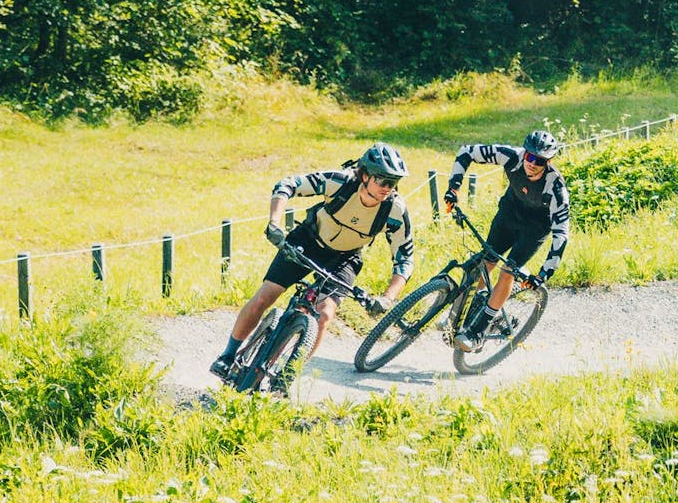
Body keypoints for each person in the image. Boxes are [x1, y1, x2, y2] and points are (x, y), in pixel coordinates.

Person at [211, 142, 415, 380]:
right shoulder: (340, 182)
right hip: (308, 241)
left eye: (394, 183)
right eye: (383, 181)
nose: (388, 188)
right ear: (366, 175)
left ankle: (288, 376)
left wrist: (388, 298)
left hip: (345, 258)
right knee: (265, 296)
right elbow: (287, 185)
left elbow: (404, 258)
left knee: (325, 314)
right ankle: (227, 355)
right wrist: (274, 223)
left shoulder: (394, 210)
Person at [442, 129, 571, 351]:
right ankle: (474, 309)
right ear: (525, 153)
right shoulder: (511, 156)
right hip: (509, 214)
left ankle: (478, 330)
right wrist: (453, 188)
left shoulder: (556, 188)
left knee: (509, 270)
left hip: (535, 228)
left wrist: (544, 274)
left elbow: (561, 234)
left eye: (540, 161)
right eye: (530, 157)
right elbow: (466, 152)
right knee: (487, 260)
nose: (532, 163)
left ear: (548, 161)